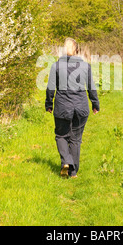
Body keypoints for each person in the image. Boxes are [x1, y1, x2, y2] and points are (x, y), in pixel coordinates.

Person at [45, 38, 100, 179]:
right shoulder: (85, 66)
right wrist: (95, 104)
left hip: (62, 106)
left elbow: (51, 88)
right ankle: (73, 173)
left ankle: (66, 162)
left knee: (61, 136)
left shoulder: (56, 66)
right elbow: (91, 88)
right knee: (76, 139)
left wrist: (49, 103)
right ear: (77, 50)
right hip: (81, 107)